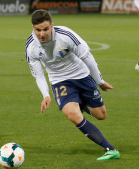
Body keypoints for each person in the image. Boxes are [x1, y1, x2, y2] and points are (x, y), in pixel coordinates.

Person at [25, 9, 120, 160]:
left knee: (101, 115)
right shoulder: (31, 47)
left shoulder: (66, 36)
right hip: (59, 81)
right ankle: (110, 149)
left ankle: (80, 102)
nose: (42, 34)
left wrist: (100, 81)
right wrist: (46, 95)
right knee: (72, 115)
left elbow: (87, 57)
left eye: (45, 29)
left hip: (81, 76)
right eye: (37, 30)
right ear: (33, 28)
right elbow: (39, 75)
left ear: (52, 26)